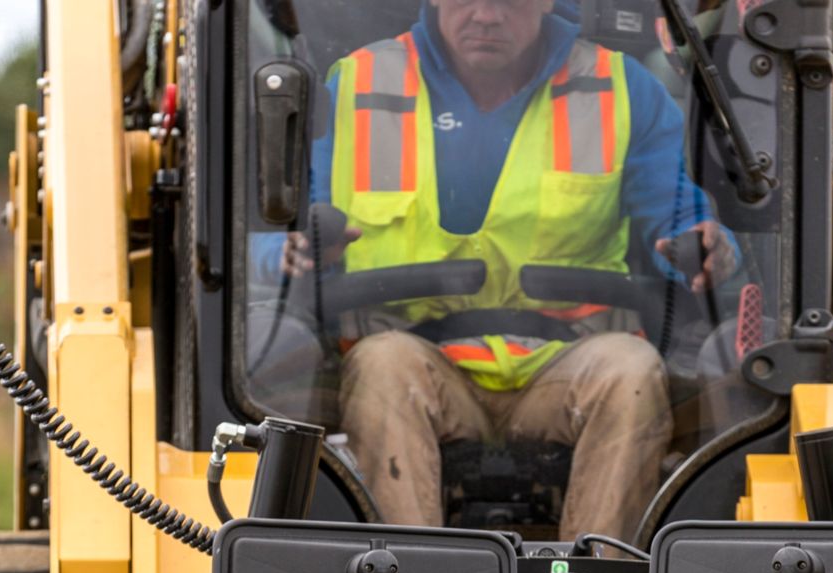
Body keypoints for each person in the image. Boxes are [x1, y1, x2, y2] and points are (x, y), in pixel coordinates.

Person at [289, 0, 737, 541]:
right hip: (418, 360)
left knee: (632, 372)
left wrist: (705, 243)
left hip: (565, 363)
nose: (486, 14)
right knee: (380, 366)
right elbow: (292, 224)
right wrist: (303, 250)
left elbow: (672, 206)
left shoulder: (620, 88)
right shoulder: (357, 85)